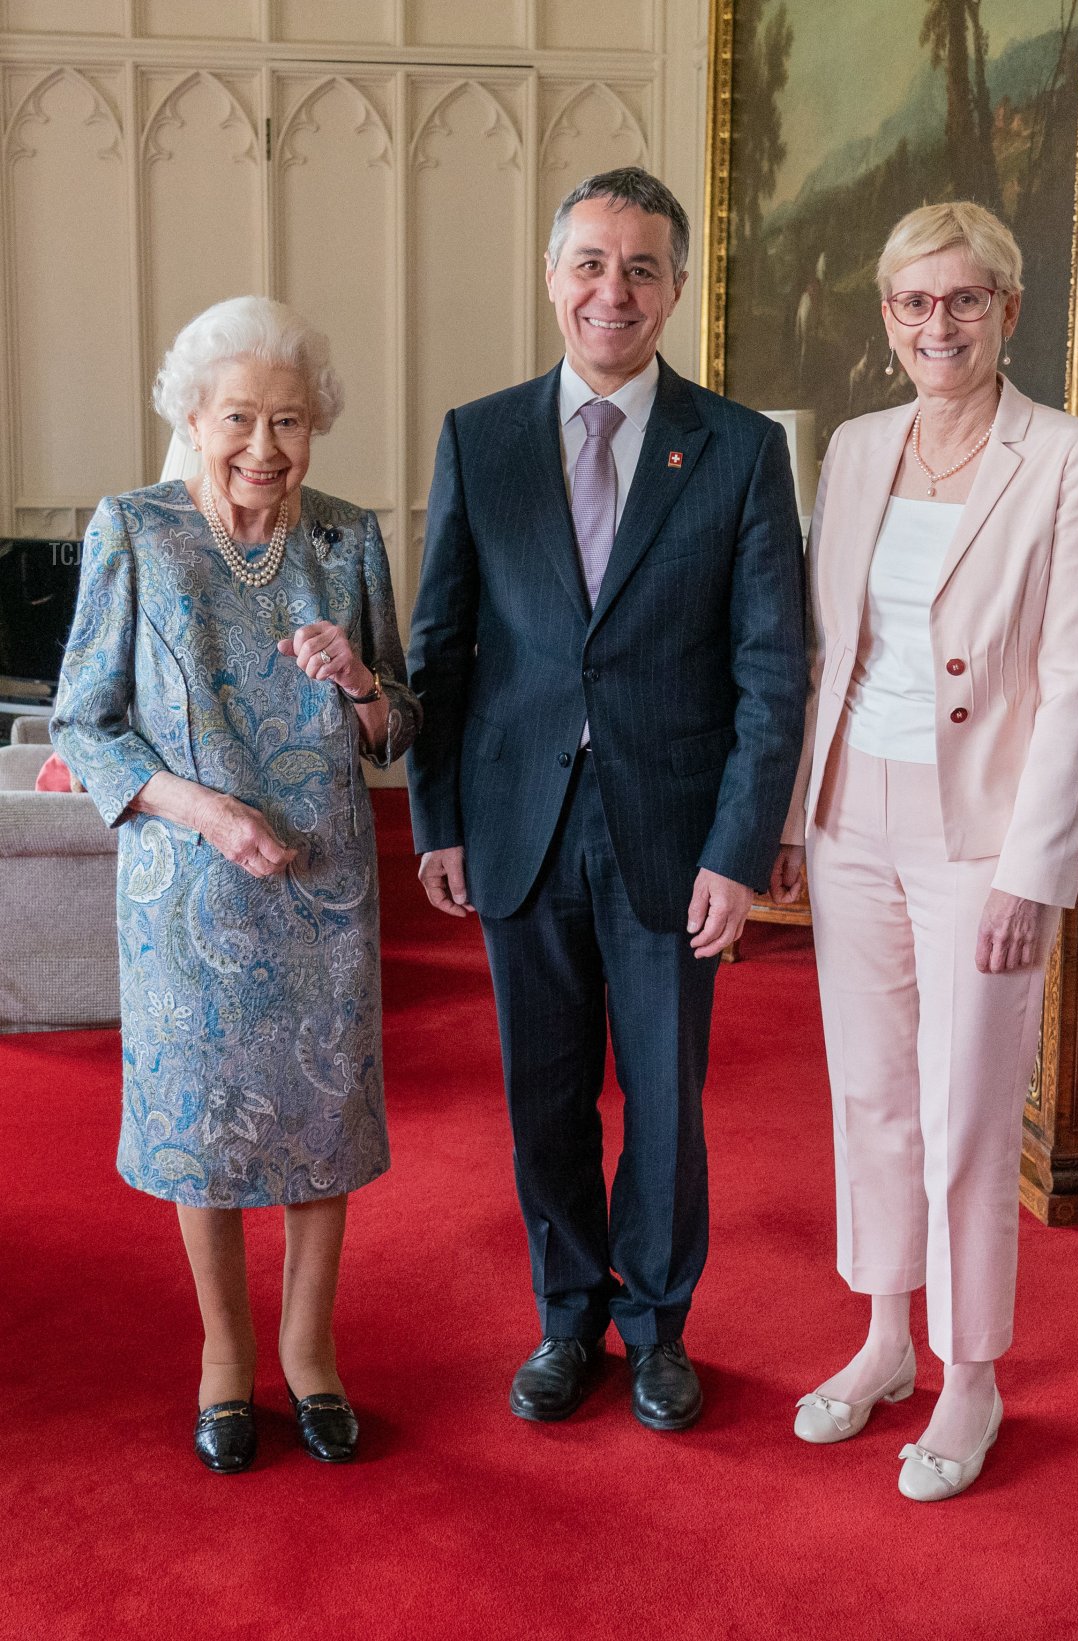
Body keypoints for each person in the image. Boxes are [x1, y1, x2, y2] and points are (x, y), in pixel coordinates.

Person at [406, 168, 805, 1431]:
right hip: (519, 827)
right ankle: (566, 1319)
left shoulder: (741, 449)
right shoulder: (481, 437)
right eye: (589, 262)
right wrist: (440, 822)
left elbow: (768, 668)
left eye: (640, 268)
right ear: (552, 276)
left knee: (667, 1101)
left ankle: (659, 1326)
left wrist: (741, 849)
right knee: (545, 1094)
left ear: (676, 287)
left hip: (672, 837)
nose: (611, 290)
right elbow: (441, 651)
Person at [771, 201, 1078, 1499]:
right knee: (868, 1092)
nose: (940, 323)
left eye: (965, 300)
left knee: (967, 1112)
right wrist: (795, 815)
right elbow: (829, 650)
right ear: (887, 317)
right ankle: (883, 1339)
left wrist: (1038, 871)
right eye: (916, 302)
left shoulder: (1073, 457)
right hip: (852, 808)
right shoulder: (859, 449)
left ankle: (970, 1374)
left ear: (1008, 312)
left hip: (986, 827)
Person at [51, 297, 420, 1474]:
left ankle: (310, 1353)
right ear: (194, 417)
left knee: (322, 1118)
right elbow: (87, 723)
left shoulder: (349, 541)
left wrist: (361, 678)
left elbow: (396, 730)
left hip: (322, 889)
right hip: (187, 889)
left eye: (292, 421)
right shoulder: (135, 530)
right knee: (199, 1125)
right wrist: (204, 811)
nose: (267, 446)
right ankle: (226, 1357)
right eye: (242, 419)